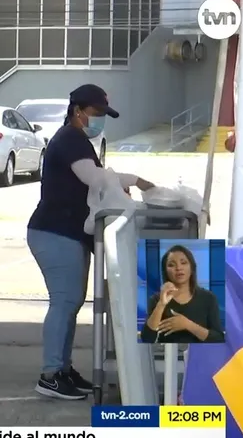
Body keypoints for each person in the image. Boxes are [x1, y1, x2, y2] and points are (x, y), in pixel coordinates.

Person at [26, 84, 156, 401]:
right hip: (55, 232)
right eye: (96, 113)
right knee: (64, 301)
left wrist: (124, 186)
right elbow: (96, 179)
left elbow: (98, 180)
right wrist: (136, 181)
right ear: (78, 111)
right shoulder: (70, 140)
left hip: (69, 233)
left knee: (71, 303)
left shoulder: (78, 140)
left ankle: (63, 369)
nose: (100, 120)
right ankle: (50, 375)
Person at [140, 245, 225, 344]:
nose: (178, 268)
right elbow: (147, 339)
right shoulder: (156, 300)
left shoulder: (208, 298)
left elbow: (218, 338)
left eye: (183, 263)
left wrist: (188, 325)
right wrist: (161, 304)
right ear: (165, 271)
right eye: (171, 265)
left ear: (192, 268)